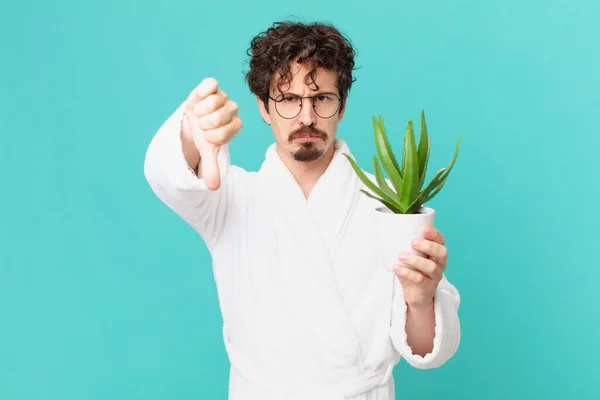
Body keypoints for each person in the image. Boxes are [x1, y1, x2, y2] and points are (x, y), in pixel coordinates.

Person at [144, 21, 460, 400]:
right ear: (263, 107)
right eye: (288, 99)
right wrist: (192, 135)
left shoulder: (393, 205)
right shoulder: (231, 199)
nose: (306, 117)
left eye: (321, 98)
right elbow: (169, 177)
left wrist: (421, 299)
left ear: (341, 106)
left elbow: (427, 351)